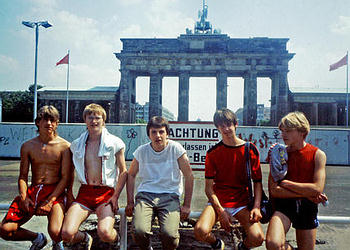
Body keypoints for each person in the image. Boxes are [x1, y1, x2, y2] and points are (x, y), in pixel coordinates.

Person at [0, 105, 72, 250]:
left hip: (55, 193)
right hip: (33, 192)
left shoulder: (65, 147)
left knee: (56, 232)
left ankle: (57, 243)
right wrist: (24, 196)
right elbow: (22, 176)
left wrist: (50, 202)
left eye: (52, 120)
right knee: (5, 230)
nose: (49, 123)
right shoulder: (28, 146)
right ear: (37, 122)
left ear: (57, 123)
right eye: (45, 119)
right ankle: (37, 238)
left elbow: (65, 178)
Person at [194, 108, 264, 250]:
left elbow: (257, 182)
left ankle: (242, 247)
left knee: (258, 238)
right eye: (221, 126)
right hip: (219, 201)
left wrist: (256, 207)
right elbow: (208, 188)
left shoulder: (250, 149)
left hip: (242, 203)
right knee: (200, 231)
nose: (226, 129)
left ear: (236, 124)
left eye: (228, 124)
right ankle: (217, 244)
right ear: (217, 128)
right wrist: (221, 212)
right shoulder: (212, 153)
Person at [61, 103, 127, 249]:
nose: (94, 121)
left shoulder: (115, 143)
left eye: (98, 118)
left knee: (105, 233)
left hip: (105, 194)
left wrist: (115, 196)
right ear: (85, 120)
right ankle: (85, 238)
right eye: (90, 117)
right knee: (66, 233)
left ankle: (116, 240)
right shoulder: (76, 145)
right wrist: (70, 193)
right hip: (85, 193)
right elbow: (70, 172)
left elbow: (123, 172)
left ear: (104, 121)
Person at [125, 116, 194, 250]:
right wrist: (130, 201)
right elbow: (131, 174)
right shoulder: (141, 151)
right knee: (139, 231)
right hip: (145, 195)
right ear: (149, 134)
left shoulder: (176, 149)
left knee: (169, 235)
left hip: (170, 196)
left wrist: (186, 204)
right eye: (154, 132)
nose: (158, 136)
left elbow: (189, 176)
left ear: (167, 133)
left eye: (161, 132)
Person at [265, 112, 327, 250]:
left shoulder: (318, 155)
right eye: (282, 131)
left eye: (288, 131)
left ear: (301, 131)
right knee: (273, 244)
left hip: (307, 207)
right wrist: (306, 193)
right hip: (284, 206)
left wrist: (286, 183)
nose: (283, 135)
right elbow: (274, 191)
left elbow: (317, 188)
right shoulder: (278, 153)